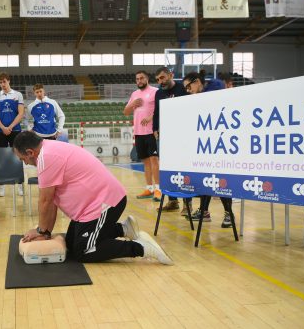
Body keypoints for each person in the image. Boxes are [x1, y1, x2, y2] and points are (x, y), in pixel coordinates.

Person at [15, 131, 173, 265]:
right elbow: (51, 202)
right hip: (91, 207)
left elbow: (45, 201)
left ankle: (141, 248)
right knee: (70, 243)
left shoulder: (46, 157)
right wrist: (46, 232)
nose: (27, 163)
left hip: (105, 203)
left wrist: (40, 230)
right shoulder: (49, 150)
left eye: (24, 159)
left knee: (83, 250)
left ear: (30, 152)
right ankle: (123, 229)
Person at [182, 72, 233, 228]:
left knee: (222, 182)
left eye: (189, 87)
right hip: (206, 145)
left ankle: (229, 214)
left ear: (197, 82)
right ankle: (204, 211)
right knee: (206, 180)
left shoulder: (215, 90)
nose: (188, 91)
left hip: (221, 144)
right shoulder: (201, 95)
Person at [152, 67, 192, 214]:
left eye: (162, 77)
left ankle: (187, 204)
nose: (160, 81)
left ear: (171, 75)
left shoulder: (183, 89)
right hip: (164, 136)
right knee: (167, 169)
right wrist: (154, 129)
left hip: (183, 135)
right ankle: (172, 201)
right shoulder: (158, 93)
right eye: (157, 79)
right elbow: (156, 113)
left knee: (185, 168)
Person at [123, 70, 161, 201]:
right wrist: (133, 104)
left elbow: (161, 108)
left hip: (151, 132)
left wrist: (151, 117)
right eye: (137, 79)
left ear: (147, 78)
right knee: (145, 162)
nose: (139, 81)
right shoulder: (134, 94)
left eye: (142, 78)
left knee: (154, 160)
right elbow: (126, 112)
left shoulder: (155, 91)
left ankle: (158, 189)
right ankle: (149, 188)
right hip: (138, 133)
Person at [0, 71, 25, 197]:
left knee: (18, 156)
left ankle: (20, 184)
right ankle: (1, 185)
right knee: (0, 158)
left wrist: (10, 127)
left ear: (8, 81)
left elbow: (20, 113)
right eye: (0, 82)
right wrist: (3, 127)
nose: (2, 84)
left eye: (4, 82)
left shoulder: (17, 95)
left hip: (15, 130)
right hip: (0, 131)